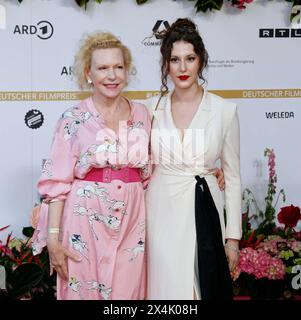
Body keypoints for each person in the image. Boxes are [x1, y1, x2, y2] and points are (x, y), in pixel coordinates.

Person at [31, 31, 152, 300]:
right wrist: (53, 239)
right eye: (103, 68)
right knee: (83, 291)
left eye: (119, 67)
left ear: (127, 71)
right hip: (84, 219)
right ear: (89, 73)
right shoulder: (73, 118)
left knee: (127, 295)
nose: (112, 75)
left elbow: (161, 163)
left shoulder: (143, 114)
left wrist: (209, 170)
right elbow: (57, 184)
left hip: (132, 219)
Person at [145, 18, 242, 300]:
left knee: (202, 288)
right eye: (175, 60)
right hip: (161, 212)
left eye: (190, 58)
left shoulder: (224, 110)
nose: (183, 68)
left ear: (201, 60)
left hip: (206, 209)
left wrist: (232, 240)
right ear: (166, 65)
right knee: (166, 291)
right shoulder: (149, 109)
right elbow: (130, 162)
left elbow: (233, 177)